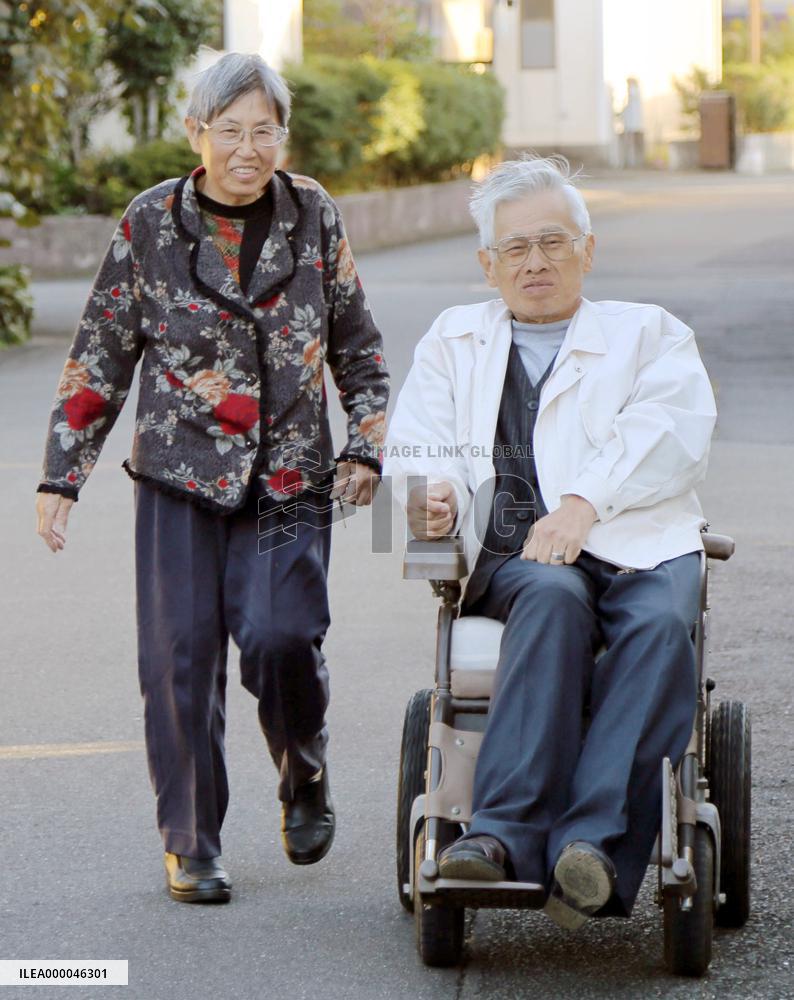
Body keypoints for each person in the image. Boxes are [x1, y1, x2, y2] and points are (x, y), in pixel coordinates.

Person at [36, 52, 389, 904]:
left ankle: (302, 768)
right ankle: (191, 842)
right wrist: (62, 474)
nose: (246, 147)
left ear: (282, 134)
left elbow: (358, 345)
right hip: (179, 477)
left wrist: (366, 442)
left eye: (263, 130)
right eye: (228, 130)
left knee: (280, 636)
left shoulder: (315, 215)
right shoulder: (151, 223)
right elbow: (101, 353)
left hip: (289, 479)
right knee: (179, 660)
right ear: (197, 133)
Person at [384, 155, 715, 929]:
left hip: (642, 539)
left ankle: (590, 846)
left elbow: (671, 435)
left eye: (553, 243)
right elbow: (417, 444)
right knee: (554, 596)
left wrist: (583, 502)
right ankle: (499, 836)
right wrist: (429, 496)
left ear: (588, 250)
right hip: (518, 558)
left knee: (664, 627)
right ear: (486, 264)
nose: (535, 262)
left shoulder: (650, 334)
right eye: (515, 249)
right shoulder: (454, 339)